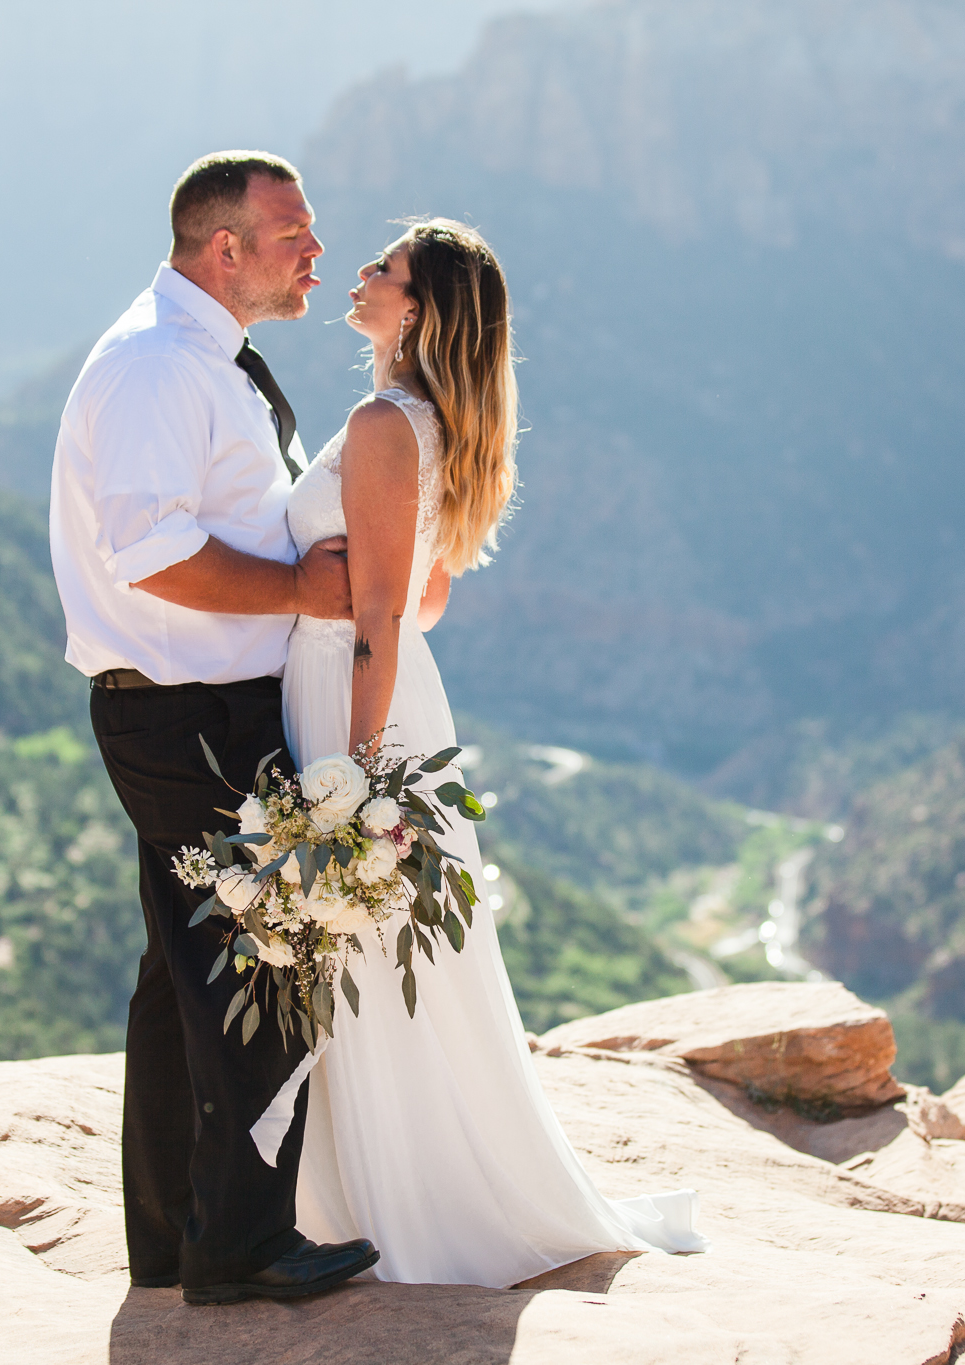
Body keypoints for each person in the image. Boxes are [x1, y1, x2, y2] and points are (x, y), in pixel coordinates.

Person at [281, 219, 709, 1286]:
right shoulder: (430, 426)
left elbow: (383, 616)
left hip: (352, 701)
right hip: (385, 693)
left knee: (363, 939)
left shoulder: (384, 424)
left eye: (382, 269)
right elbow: (425, 594)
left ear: (415, 308)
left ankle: (381, 1205)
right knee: (378, 951)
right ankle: (384, 1186)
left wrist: (350, 781)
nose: (363, 275)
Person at [48, 151, 380, 1305]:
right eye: (292, 231)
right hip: (188, 714)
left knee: (181, 975)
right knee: (258, 957)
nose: (315, 251)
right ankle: (239, 1248)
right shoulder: (153, 366)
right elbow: (153, 557)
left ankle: (174, 1236)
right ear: (222, 247)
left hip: (204, 709)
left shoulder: (203, 359)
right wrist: (303, 595)